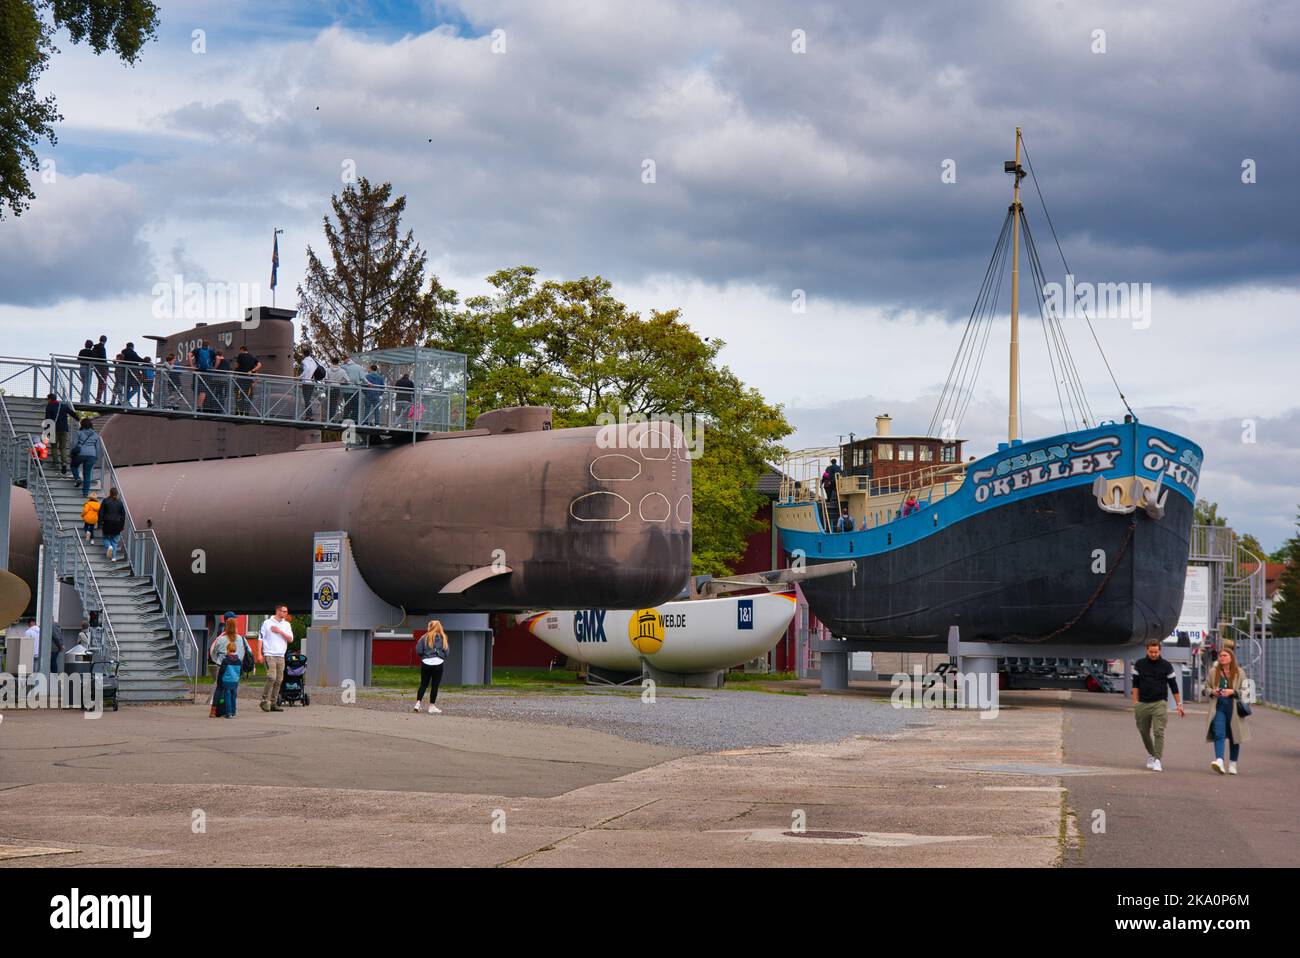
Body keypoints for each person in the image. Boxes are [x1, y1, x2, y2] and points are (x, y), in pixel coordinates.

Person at [1131, 638, 1184, 771]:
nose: (1153, 654)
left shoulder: (1166, 665)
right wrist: (1135, 703)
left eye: (1156, 652)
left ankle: (1157, 760)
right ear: (1147, 650)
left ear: (1160, 651)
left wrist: (1179, 704)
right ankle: (1152, 753)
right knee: (1143, 731)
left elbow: (1173, 686)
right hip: (1142, 703)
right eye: (1151, 652)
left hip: (1159, 702)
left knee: (1158, 731)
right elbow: (1135, 685)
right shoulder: (1139, 664)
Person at [1204, 645, 1250, 774]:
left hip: (1234, 708)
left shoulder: (1240, 672)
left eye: (1225, 655)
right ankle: (1219, 761)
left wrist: (1233, 692)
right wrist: (1213, 691)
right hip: (1218, 707)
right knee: (1219, 733)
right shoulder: (1213, 672)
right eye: (1220, 656)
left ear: (1231, 658)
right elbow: (1205, 689)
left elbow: (1248, 692)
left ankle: (1233, 764)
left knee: (1234, 735)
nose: (1222, 658)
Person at [208, 614, 251, 718]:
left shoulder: (221, 639)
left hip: (222, 666)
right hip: (236, 667)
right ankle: (232, 710)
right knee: (233, 690)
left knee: (219, 688)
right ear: (236, 627)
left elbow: (213, 652)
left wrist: (216, 660)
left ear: (226, 627)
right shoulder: (241, 639)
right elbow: (246, 652)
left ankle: (214, 711)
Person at [259, 604, 293, 712]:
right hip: (270, 654)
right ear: (278, 611)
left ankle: (273, 703)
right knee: (271, 677)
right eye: (284, 611)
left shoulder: (286, 624)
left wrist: (280, 631)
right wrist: (259, 654)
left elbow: (290, 639)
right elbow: (260, 639)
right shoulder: (267, 623)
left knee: (279, 680)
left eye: (286, 611)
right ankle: (264, 700)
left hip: (281, 655)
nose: (285, 613)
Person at [413, 620, 450, 714]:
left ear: (430, 627)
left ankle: (417, 703)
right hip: (438, 663)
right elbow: (447, 652)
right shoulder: (443, 638)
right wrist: (440, 655)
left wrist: (424, 656)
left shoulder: (424, 637)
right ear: (439, 627)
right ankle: (432, 706)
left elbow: (418, 650)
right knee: (435, 686)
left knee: (423, 684)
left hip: (426, 663)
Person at [43, 392, 77, 476]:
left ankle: (55, 463)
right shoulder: (63, 406)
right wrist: (78, 418)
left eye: (48, 399)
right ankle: (64, 463)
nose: (47, 401)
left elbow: (47, 419)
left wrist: (46, 430)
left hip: (54, 429)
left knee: (54, 446)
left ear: (50, 399)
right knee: (63, 447)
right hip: (64, 429)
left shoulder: (49, 406)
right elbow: (71, 413)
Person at [72, 418, 101, 498]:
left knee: (73, 466)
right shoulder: (95, 435)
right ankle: (85, 493)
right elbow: (98, 447)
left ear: (82, 425)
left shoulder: (78, 433)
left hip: (80, 454)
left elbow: (74, 444)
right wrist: (96, 457)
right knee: (87, 474)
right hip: (92, 455)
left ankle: (77, 478)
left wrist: (72, 453)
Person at [98, 486, 127, 562]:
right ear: (117, 494)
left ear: (110, 493)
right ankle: (113, 557)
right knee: (114, 541)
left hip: (107, 523)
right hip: (117, 524)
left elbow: (100, 513)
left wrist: (100, 524)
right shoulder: (120, 502)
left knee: (105, 538)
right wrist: (122, 526)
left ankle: (109, 546)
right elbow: (123, 515)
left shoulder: (105, 501)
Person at [233, 345, 262, 415]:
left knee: (239, 396)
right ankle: (246, 413)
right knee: (248, 397)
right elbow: (260, 365)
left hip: (241, 379)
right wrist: (252, 371)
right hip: (249, 380)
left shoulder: (240, 355)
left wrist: (234, 372)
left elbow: (237, 366)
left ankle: (238, 412)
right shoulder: (252, 357)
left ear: (242, 350)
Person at [218, 639, 243, 719]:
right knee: (233, 696)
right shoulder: (239, 661)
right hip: (235, 681)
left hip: (227, 681)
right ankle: (233, 711)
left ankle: (228, 713)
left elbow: (221, 671)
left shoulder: (226, 660)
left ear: (228, 650)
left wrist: (219, 681)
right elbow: (241, 672)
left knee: (227, 696)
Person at [299, 349, 323, 420]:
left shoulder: (304, 361)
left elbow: (307, 369)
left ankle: (309, 416)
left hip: (306, 382)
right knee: (308, 400)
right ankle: (309, 416)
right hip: (312, 382)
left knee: (306, 400)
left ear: (303, 354)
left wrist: (300, 377)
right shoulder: (313, 361)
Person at [325, 358, 347, 422]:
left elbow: (326, 379)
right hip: (337, 388)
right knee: (334, 404)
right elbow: (347, 380)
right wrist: (340, 382)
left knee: (329, 403)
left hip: (329, 388)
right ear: (338, 362)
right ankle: (332, 419)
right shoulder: (342, 371)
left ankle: (329, 419)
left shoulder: (328, 370)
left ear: (332, 362)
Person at [77, 339, 96, 403]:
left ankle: (82, 399)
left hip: (81, 368)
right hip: (88, 368)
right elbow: (93, 361)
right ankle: (85, 400)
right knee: (87, 385)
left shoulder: (81, 351)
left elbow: (78, 359)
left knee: (84, 385)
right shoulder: (92, 352)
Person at [91, 335, 109, 402]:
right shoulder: (102, 348)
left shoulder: (95, 347)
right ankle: (98, 399)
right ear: (105, 341)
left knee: (100, 383)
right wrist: (107, 366)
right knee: (102, 383)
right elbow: (103, 358)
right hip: (102, 368)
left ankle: (98, 398)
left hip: (96, 367)